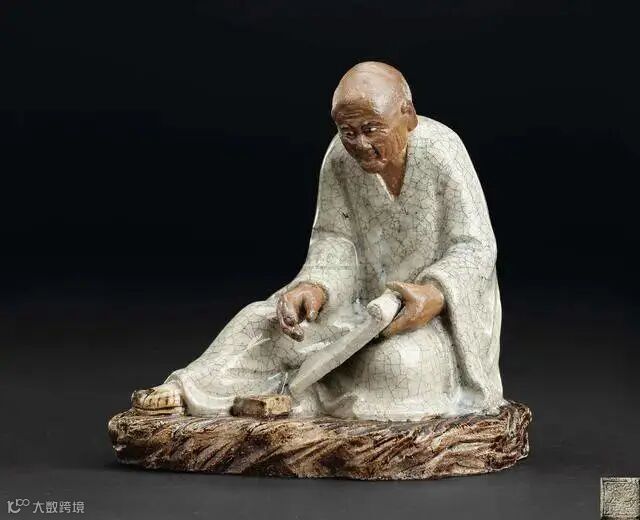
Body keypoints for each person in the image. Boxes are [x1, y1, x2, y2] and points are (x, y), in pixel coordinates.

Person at [132, 62, 504, 421]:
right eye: (348, 132)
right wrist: (315, 286)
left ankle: (301, 398)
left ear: (407, 114)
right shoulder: (340, 159)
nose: (360, 144)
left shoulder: (441, 151)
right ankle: (191, 389)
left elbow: (475, 247)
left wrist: (434, 294)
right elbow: (335, 239)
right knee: (259, 322)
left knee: (397, 364)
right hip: (356, 308)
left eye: (372, 129)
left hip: (421, 320)